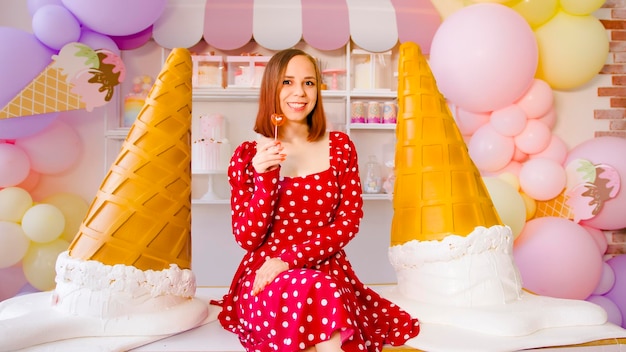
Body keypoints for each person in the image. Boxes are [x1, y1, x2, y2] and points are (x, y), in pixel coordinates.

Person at [213, 48, 420, 352]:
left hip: (326, 269)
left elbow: (348, 223)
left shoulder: (340, 147)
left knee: (319, 293)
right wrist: (265, 177)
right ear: (271, 87)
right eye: (287, 82)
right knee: (318, 302)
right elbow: (247, 237)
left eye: (309, 83)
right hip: (265, 275)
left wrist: (289, 260)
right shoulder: (247, 156)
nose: (299, 92)